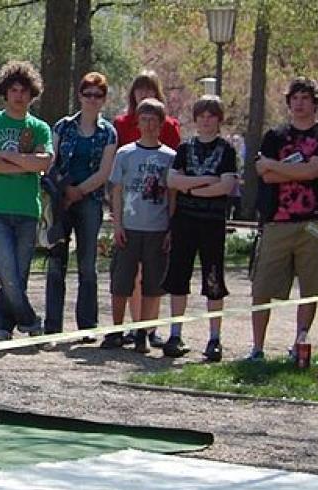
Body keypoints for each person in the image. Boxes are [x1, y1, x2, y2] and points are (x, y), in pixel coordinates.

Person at [249, 77, 318, 361]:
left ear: (315, 102)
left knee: (312, 287)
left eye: (305, 98)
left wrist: (276, 168)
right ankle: (257, 349)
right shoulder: (274, 136)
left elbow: (316, 171)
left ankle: (298, 345)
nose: (300, 103)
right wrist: (295, 169)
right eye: (295, 98)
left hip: (314, 223)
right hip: (277, 220)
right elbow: (265, 176)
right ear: (289, 102)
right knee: (262, 287)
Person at [0, 61, 54, 343]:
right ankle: (31, 321)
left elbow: (46, 161)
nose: (19, 96)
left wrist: (8, 157)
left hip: (27, 210)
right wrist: (25, 165)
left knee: (18, 276)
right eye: (14, 90)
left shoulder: (40, 128)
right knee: (7, 273)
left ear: (32, 94)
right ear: (5, 93)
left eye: (24, 91)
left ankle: (1, 327)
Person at [162, 95, 239, 361]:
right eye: (202, 116)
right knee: (178, 277)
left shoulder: (227, 150)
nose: (206, 121)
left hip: (213, 223)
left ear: (219, 120)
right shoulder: (184, 148)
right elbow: (172, 180)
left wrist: (192, 187)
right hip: (184, 222)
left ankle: (214, 338)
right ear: (195, 119)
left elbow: (226, 186)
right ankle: (175, 333)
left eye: (211, 116)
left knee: (214, 279)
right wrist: (206, 181)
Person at [43, 72, 118, 342]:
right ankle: (51, 326)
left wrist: (80, 191)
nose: (92, 100)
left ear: (104, 99)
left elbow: (104, 171)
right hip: (61, 200)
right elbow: (51, 161)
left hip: (90, 201)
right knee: (56, 262)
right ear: (80, 96)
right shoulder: (63, 126)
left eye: (98, 95)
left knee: (87, 264)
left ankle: (87, 326)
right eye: (88, 94)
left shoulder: (108, 132)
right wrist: (62, 191)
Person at [112, 71, 181, 347]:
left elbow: (173, 194)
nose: (149, 125)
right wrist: (117, 224)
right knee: (122, 282)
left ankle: (145, 331)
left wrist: (170, 227)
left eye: (155, 120)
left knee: (153, 284)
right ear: (137, 122)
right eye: (144, 119)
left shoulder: (170, 157)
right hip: (129, 225)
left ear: (162, 124)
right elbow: (116, 190)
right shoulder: (125, 153)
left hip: (157, 227)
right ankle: (117, 330)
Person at [113, 71, 182, 148]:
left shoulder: (170, 125)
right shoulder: (121, 124)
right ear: (133, 93)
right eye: (140, 89)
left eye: (149, 89)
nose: (144, 94)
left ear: (156, 93)